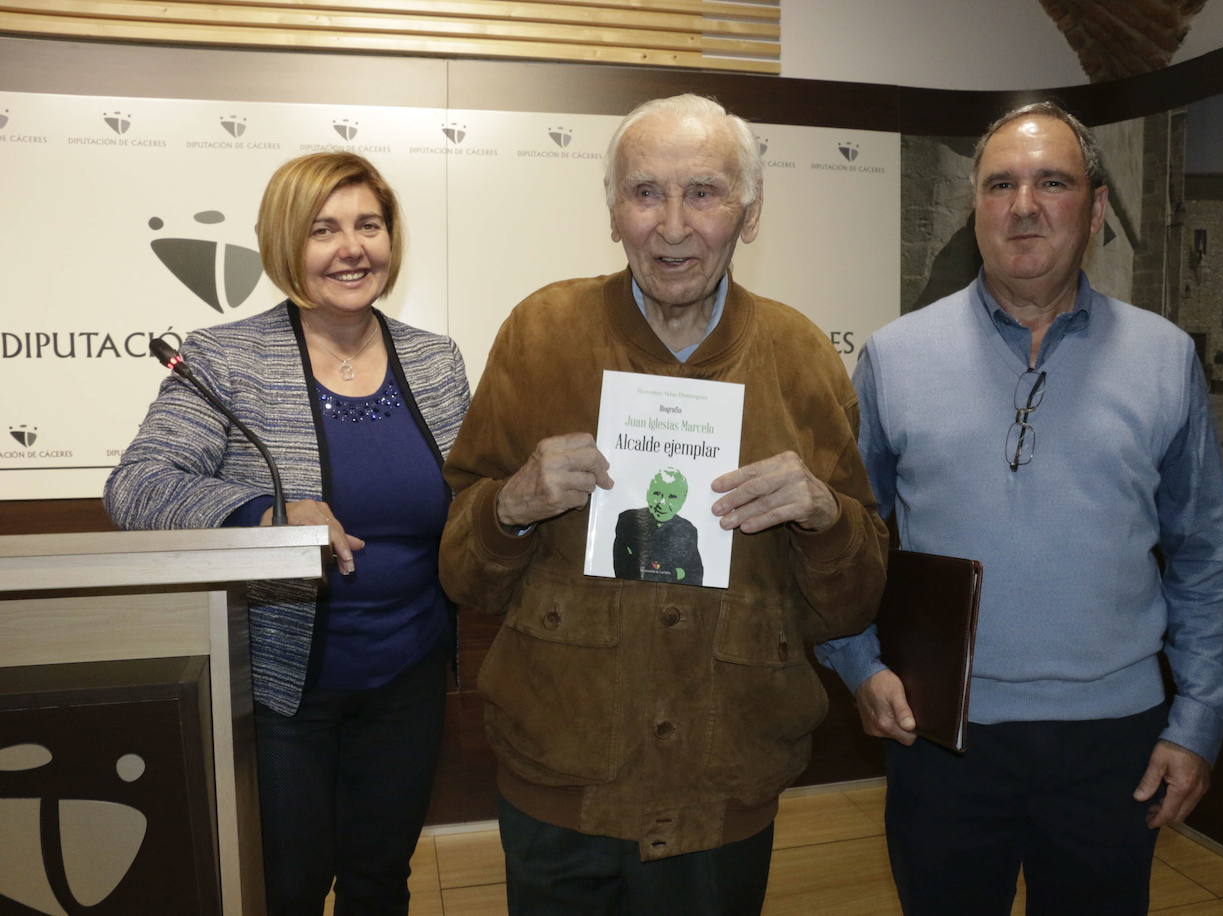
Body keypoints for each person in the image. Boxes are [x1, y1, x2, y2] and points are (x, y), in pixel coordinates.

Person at [438, 93, 887, 914]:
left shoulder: (802, 358)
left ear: (749, 215)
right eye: (645, 192)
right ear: (612, 211)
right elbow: (463, 573)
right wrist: (510, 505)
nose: (672, 225)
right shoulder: (538, 334)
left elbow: (852, 601)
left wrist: (826, 520)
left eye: (704, 193)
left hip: (725, 790)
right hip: (559, 785)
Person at [816, 101, 1223, 914]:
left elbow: (1206, 554)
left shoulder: (1164, 358)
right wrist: (858, 661)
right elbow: (843, 537)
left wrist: (1197, 720)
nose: (1023, 205)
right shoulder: (896, 357)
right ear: (974, 206)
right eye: (1000, 184)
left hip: (1115, 742)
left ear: (1096, 208)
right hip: (942, 735)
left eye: (1053, 182)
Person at [105, 152, 469, 915]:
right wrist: (266, 516)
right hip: (282, 684)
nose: (351, 249)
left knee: (381, 879)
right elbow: (137, 485)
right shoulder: (224, 357)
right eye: (323, 229)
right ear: (283, 244)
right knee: (288, 887)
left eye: (368, 225)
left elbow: (475, 494)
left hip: (409, 672)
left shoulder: (435, 361)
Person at [613, 467, 704, 585]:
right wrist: (676, 572)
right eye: (657, 493)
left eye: (672, 497)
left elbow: (694, 576)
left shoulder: (688, 530)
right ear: (648, 494)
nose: (662, 503)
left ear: (682, 501)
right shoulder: (627, 520)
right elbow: (622, 568)